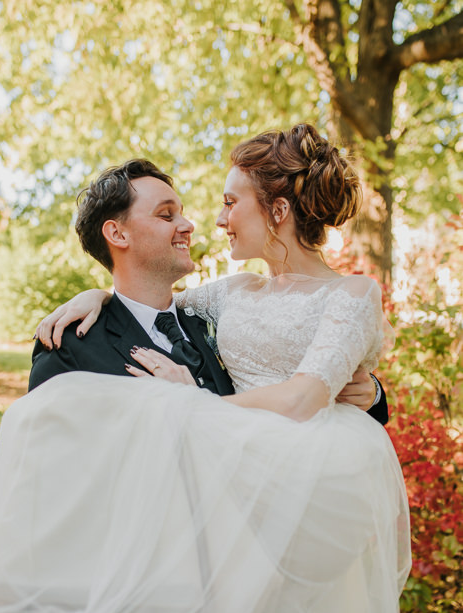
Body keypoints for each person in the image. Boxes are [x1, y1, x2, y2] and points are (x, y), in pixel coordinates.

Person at [0, 124, 423, 613]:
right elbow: (147, 302)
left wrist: (364, 395)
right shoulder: (218, 300)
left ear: (279, 211)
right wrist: (96, 289)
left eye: (229, 203)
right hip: (174, 546)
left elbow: (302, 393)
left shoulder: (298, 303)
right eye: (173, 211)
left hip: (293, 491)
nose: (211, 221)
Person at [28, 159, 387, 423]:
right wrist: (99, 294)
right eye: (167, 215)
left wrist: (372, 395)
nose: (191, 225)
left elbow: (291, 378)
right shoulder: (69, 346)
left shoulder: (210, 318)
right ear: (117, 235)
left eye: (229, 203)